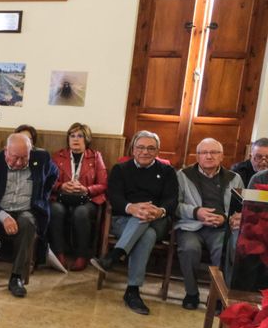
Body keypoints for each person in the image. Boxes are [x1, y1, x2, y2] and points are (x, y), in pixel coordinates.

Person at [90, 130, 179, 315]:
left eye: (150, 148)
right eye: (140, 147)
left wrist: (159, 211)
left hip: (157, 221)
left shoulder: (167, 171)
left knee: (145, 219)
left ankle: (114, 256)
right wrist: (132, 208)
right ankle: (132, 291)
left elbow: (172, 200)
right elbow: (113, 197)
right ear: (133, 149)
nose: (145, 152)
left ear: (157, 151)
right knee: (145, 235)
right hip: (123, 219)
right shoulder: (121, 169)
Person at [0, 133, 58, 297]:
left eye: (24, 157)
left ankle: (17, 276)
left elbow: (54, 175)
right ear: (6, 151)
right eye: (15, 157)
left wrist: (42, 196)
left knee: (28, 222)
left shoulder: (42, 158)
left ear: (30, 151)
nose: (19, 162)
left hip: (24, 209)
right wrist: (3, 216)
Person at [174, 138, 244, 309]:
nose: (209, 156)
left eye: (214, 152)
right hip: (191, 225)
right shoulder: (183, 175)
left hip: (221, 228)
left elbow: (240, 208)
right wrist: (196, 212)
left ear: (221, 157)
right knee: (189, 249)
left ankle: (219, 297)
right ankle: (191, 293)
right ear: (197, 156)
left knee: (225, 250)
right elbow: (174, 205)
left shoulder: (234, 178)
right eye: (204, 152)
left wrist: (225, 218)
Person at [48, 122, 107, 271]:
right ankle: (58, 253)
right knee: (55, 210)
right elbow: (48, 180)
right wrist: (61, 185)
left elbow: (103, 184)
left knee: (81, 212)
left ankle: (82, 255)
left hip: (87, 199)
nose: (75, 139)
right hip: (61, 197)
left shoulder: (95, 157)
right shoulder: (58, 155)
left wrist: (86, 189)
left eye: (80, 136)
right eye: (72, 135)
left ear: (86, 139)